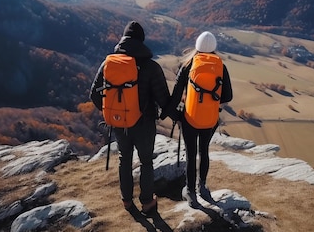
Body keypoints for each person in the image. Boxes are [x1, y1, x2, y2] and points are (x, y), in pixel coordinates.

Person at [90, 21, 171, 216]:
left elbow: (94, 94)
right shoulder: (151, 67)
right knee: (146, 162)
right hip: (144, 124)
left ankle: (127, 201)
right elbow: (164, 100)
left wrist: (111, 112)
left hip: (119, 123)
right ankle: (147, 204)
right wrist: (172, 114)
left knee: (124, 159)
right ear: (141, 41)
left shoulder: (109, 63)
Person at [167, 31, 233, 207]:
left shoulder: (189, 65)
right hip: (210, 119)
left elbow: (175, 95)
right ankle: (202, 186)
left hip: (190, 117)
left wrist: (172, 114)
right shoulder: (220, 67)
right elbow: (228, 96)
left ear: (196, 46)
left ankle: (190, 192)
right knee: (204, 151)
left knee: (191, 153)